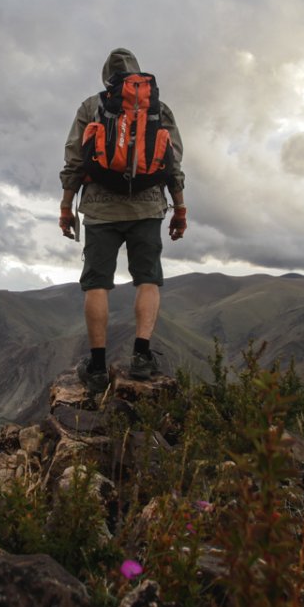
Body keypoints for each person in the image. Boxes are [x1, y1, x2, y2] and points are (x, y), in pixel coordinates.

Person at [58, 47, 186, 394]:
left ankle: (97, 367)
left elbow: (74, 160)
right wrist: (180, 208)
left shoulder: (91, 107)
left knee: (96, 284)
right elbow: (173, 164)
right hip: (147, 207)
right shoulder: (159, 108)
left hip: (100, 209)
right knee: (147, 279)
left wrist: (67, 206)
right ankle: (142, 358)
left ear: (106, 77)